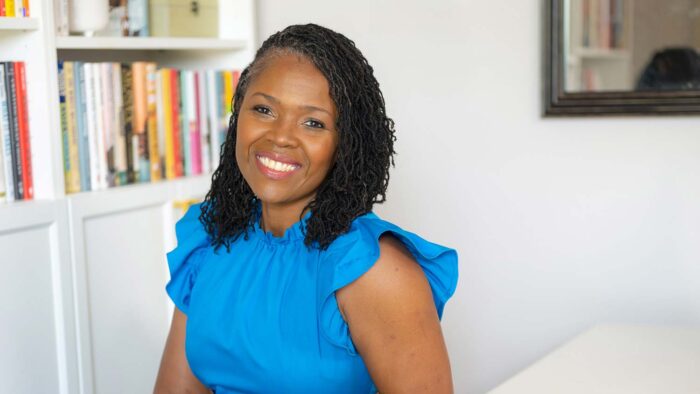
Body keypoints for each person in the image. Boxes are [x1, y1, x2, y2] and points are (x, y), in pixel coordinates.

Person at [154, 23, 459, 394]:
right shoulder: (211, 241)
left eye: (313, 122)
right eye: (264, 109)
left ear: (346, 144)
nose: (280, 136)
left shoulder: (374, 271)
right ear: (238, 120)